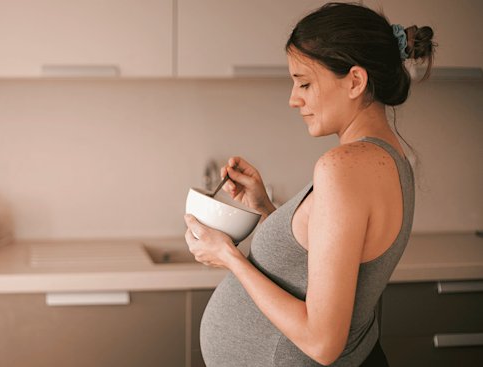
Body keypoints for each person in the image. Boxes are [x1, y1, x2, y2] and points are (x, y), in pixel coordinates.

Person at [183, 2, 436, 366]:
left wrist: (228, 257)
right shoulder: (389, 159)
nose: (293, 98)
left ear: (355, 81)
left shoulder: (343, 167)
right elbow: (317, 257)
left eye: (304, 82)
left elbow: (322, 342)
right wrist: (267, 209)